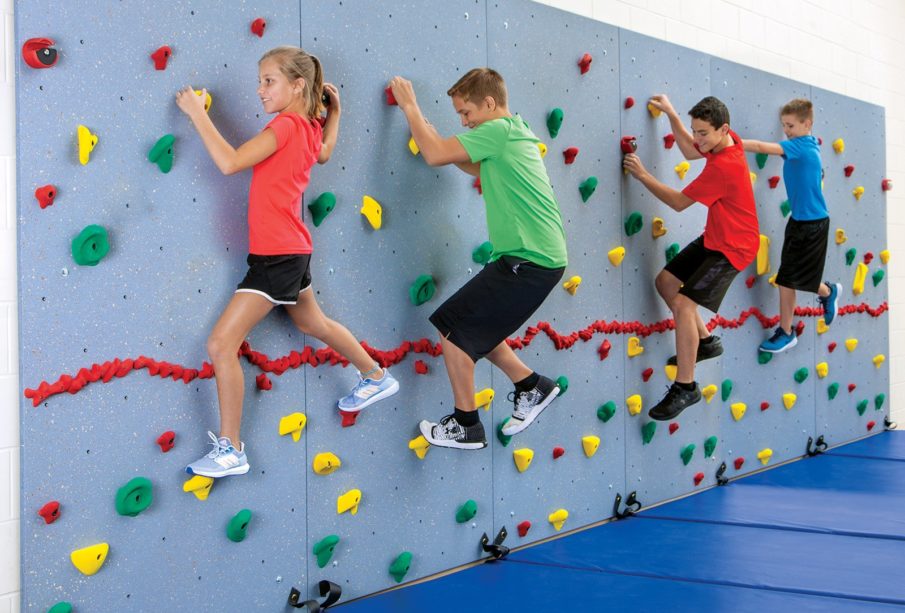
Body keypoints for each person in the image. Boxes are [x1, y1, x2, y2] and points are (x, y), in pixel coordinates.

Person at [176, 46, 398, 477]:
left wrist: (196, 113)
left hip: (277, 254)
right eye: (259, 81)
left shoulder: (285, 125)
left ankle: (232, 449)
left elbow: (230, 162)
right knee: (313, 323)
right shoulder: (309, 128)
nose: (259, 90)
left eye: (268, 81)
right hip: (291, 249)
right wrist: (335, 114)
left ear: (297, 85)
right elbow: (327, 151)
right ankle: (374, 376)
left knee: (221, 344)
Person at [388, 68, 567, 449]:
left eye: (466, 113)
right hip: (534, 258)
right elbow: (465, 160)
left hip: (529, 259)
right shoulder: (513, 134)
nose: (465, 122)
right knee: (472, 327)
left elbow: (437, 154)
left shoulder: (500, 131)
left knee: (451, 325)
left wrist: (411, 108)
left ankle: (466, 424)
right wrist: (433, 133)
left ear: (489, 103)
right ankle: (530, 385)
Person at [623, 95, 759, 421]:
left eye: (703, 134)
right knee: (666, 282)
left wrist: (643, 175)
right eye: (696, 131)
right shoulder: (726, 142)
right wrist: (671, 114)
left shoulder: (724, 167)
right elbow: (687, 150)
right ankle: (707, 342)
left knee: (684, 304)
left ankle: (685, 387)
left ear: (723, 129)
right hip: (716, 238)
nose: (698, 140)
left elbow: (679, 203)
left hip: (734, 249)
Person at [742, 98, 841, 353]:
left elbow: (764, 147)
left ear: (807, 124)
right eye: (784, 125)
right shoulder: (807, 144)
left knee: (789, 279)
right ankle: (825, 293)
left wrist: (734, 142)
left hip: (813, 224)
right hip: (798, 221)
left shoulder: (802, 147)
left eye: (791, 125)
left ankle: (788, 331)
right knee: (789, 278)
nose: (786, 130)